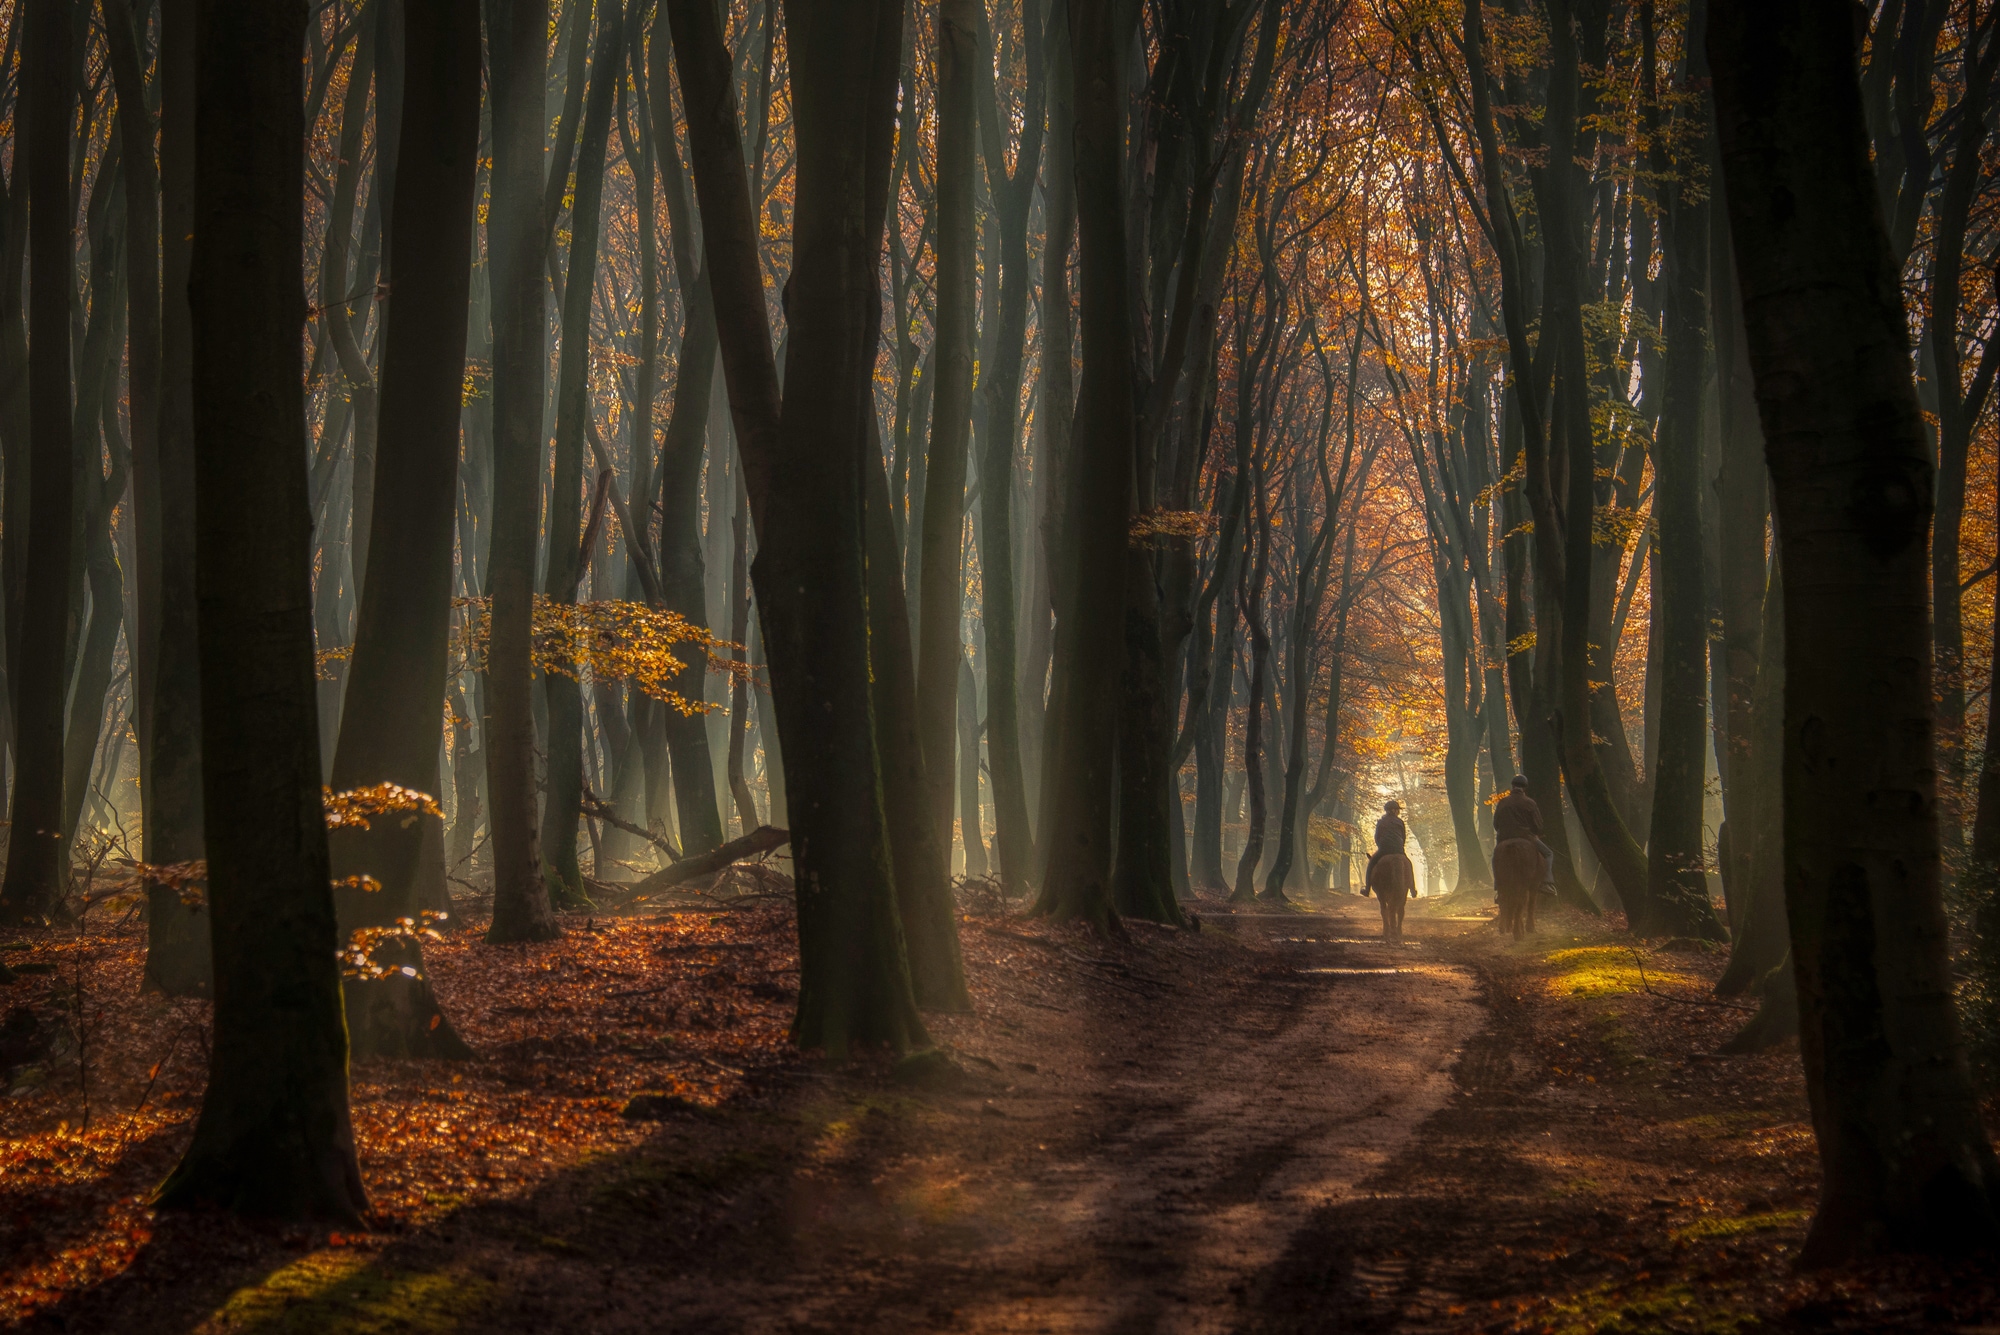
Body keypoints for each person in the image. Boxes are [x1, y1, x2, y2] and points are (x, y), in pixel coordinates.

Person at [1494, 775, 1554, 887]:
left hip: (1505, 837)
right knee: (1549, 854)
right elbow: (1538, 825)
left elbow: (1496, 824)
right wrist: (1536, 833)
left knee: (1496, 857)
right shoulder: (1530, 803)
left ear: (1512, 786)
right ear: (1525, 788)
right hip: (1527, 836)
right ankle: (1547, 882)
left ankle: (1497, 884)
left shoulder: (1502, 802)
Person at [1364, 799, 1406, 891]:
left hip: (1384, 850)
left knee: (1371, 864)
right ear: (1393, 810)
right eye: (1397, 809)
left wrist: (1381, 846)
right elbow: (1403, 837)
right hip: (1398, 850)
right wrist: (1400, 847)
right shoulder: (1400, 822)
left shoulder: (1381, 822)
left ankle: (1367, 889)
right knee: (1408, 864)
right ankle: (1412, 888)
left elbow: (1377, 837)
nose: (1398, 812)